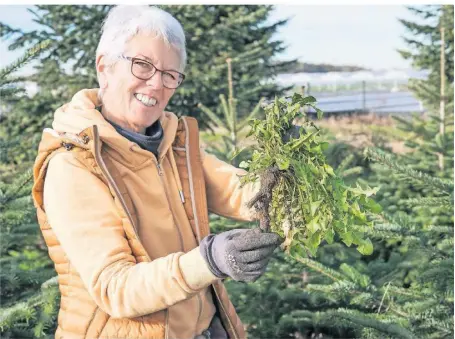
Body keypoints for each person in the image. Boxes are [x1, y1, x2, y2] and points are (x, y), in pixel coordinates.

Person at [31, 5, 283, 339]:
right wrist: (210, 260)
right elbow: (114, 287)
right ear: (103, 67)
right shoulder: (73, 165)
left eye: (169, 74)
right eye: (142, 65)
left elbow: (239, 191)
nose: (156, 84)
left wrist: (286, 183)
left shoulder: (170, 144)